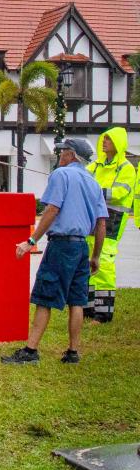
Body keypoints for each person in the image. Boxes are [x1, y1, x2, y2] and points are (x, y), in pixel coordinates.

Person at [1, 137, 106, 365]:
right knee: (76, 301)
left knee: (45, 297)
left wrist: (31, 240)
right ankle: (73, 353)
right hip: (81, 247)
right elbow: (101, 224)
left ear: (71, 155)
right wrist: (95, 256)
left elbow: (52, 209)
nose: (59, 156)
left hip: (61, 245)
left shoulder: (61, 175)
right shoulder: (93, 182)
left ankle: (30, 352)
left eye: (62, 152)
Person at [84, 127, 136, 323]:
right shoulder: (96, 165)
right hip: (94, 215)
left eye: (109, 139)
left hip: (113, 218)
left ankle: (103, 313)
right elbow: (83, 179)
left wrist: (95, 191)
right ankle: (87, 308)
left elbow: (119, 193)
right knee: (88, 259)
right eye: (104, 139)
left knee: (103, 262)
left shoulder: (126, 168)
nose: (104, 142)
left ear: (118, 143)